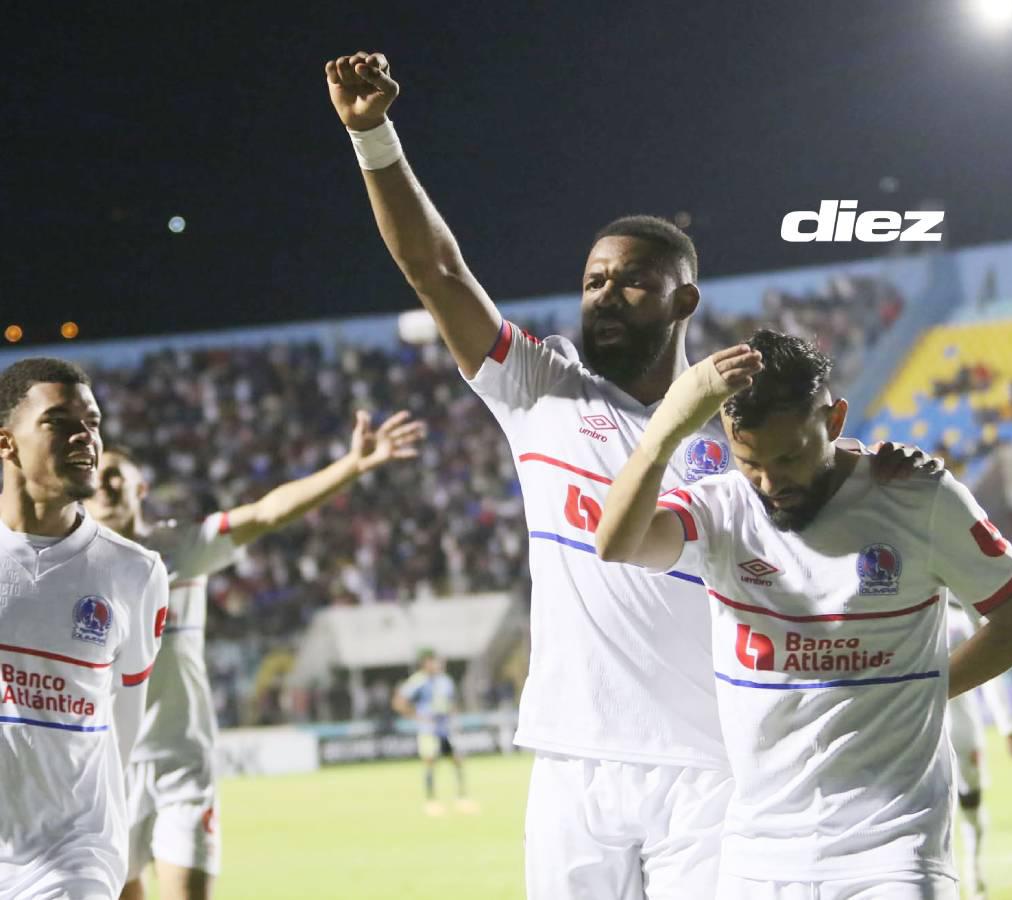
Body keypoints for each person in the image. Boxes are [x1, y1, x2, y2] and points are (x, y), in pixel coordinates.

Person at [326, 50, 938, 899]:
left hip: (713, 766)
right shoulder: (539, 387)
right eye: (594, 280)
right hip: (573, 760)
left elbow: (840, 517)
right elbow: (437, 272)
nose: (606, 293)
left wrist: (892, 471)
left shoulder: (744, 428)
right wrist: (373, 138)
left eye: (634, 282)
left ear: (685, 301)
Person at [595, 332, 1012, 898]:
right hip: (757, 855)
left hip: (893, 850)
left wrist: (928, 687)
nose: (770, 483)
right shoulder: (721, 508)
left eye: (790, 457)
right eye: (750, 462)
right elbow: (616, 542)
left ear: (834, 421)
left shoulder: (916, 497)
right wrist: (664, 433)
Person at [84, 409, 425, 900]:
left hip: (183, 765)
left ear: (141, 487)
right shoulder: (75, 565)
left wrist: (351, 466)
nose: (105, 482)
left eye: (117, 473)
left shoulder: (182, 545)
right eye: (97, 474)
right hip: (109, 768)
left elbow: (267, 512)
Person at [0, 357, 169, 899]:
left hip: (73, 854)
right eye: (59, 422)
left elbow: (126, 716)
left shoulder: (135, 572)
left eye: (92, 422)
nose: (85, 436)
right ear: (6, 443)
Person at [946, 595, 1012, 900]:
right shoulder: (908, 607)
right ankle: (944, 873)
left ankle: (974, 866)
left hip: (963, 724)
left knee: (971, 798)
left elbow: (991, 673)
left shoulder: (965, 614)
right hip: (920, 724)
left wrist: (1007, 728)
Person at [393, 649, 474, 815]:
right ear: (425, 663)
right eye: (433, 661)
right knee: (430, 762)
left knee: (457, 760)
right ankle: (431, 801)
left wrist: (454, 718)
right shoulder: (418, 681)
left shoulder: (445, 681)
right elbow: (399, 701)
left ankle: (462, 797)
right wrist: (416, 716)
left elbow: (451, 702)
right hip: (428, 729)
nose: (437, 664)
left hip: (445, 728)